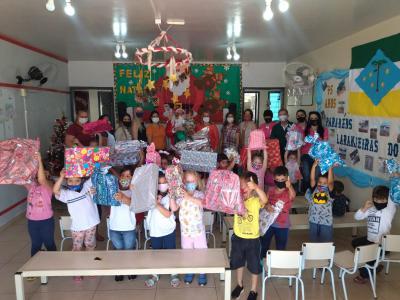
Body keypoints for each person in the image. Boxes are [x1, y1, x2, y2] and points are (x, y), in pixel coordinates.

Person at [53, 169, 100, 282]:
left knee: (90, 247)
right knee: (77, 249)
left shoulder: (86, 187)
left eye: (77, 180)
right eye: (70, 181)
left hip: (90, 225)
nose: (73, 183)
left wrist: (88, 166)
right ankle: (77, 271)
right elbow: (55, 190)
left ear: (82, 180)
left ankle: (90, 270)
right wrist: (61, 177)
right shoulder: (66, 194)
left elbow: (95, 175)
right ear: (66, 181)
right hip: (77, 228)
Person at [230, 172, 268, 300]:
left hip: (253, 240)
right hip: (238, 237)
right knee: (238, 263)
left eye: (245, 186)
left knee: (254, 266)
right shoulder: (237, 199)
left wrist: (257, 188)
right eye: (240, 186)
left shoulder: (256, 201)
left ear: (252, 187)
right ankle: (240, 285)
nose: (242, 189)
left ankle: (253, 291)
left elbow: (265, 200)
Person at [352, 186, 397, 284]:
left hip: (383, 244)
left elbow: (393, 196)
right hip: (370, 240)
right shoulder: (371, 209)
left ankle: (364, 276)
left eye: (382, 200)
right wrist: (364, 208)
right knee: (355, 243)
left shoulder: (389, 210)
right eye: (376, 199)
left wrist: (395, 176)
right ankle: (374, 267)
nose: (378, 202)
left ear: (387, 200)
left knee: (366, 257)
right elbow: (357, 217)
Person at [145, 172, 180, 288]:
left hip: (168, 230)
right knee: (156, 254)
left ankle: (174, 274)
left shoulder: (171, 195)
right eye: (159, 183)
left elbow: (167, 213)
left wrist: (156, 204)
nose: (162, 185)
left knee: (171, 253)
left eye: (164, 182)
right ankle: (155, 275)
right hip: (155, 230)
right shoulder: (151, 195)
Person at [177, 170, 208, 286]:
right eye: (187, 181)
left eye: (192, 181)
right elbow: (174, 207)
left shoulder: (200, 194)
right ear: (183, 182)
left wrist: (188, 197)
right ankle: (189, 271)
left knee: (201, 252)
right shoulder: (180, 195)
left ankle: (202, 272)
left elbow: (203, 203)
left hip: (199, 231)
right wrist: (172, 194)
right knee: (187, 253)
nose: (190, 183)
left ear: (197, 182)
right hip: (185, 232)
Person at [25, 152, 56, 260]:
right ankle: (34, 268)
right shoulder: (31, 186)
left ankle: (54, 262)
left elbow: (42, 180)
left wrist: (39, 160)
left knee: (49, 243)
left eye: (41, 171)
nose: (39, 174)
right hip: (32, 221)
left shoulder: (49, 186)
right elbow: (22, 178)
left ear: (48, 174)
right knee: (35, 244)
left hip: (46, 221)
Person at [260, 166, 295, 258]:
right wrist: (267, 205)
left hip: (282, 225)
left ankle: (279, 265)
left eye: (282, 179)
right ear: (274, 179)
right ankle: (262, 263)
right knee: (264, 245)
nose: (280, 182)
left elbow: (293, 196)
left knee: (281, 247)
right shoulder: (271, 190)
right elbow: (265, 202)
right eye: (277, 179)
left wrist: (290, 186)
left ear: (287, 179)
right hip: (268, 224)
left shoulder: (289, 191)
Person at [109, 167, 137, 282]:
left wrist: (124, 197)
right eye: (123, 175)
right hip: (114, 227)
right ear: (119, 178)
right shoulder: (113, 189)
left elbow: (135, 205)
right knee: (118, 250)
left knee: (129, 250)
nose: (126, 178)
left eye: (128, 176)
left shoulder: (134, 190)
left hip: (129, 227)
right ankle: (119, 271)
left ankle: (130, 270)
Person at [306, 160, 334, 242]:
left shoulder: (329, 192)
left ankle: (324, 255)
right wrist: (314, 166)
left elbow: (331, 182)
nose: (321, 184)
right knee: (313, 242)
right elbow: (312, 179)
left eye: (324, 183)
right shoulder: (314, 189)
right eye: (320, 182)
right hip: (313, 220)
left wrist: (330, 168)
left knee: (325, 243)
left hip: (326, 222)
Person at [300, 111, 328, 192]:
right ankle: (306, 193)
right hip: (306, 155)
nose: (313, 120)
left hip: (318, 156)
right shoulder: (305, 130)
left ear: (319, 119)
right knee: (306, 175)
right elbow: (301, 142)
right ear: (309, 120)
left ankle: (314, 193)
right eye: (311, 118)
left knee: (316, 176)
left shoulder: (324, 130)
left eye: (315, 118)